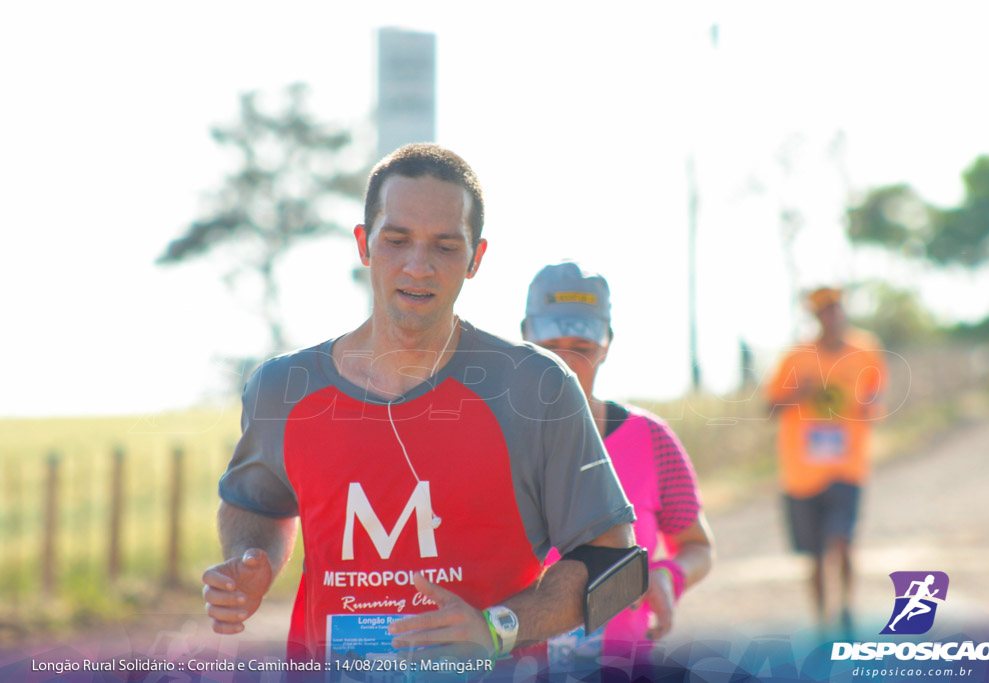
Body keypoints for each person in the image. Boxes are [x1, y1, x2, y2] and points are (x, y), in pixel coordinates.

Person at [200, 145, 638, 666]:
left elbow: (616, 565)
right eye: (397, 239)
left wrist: (498, 626)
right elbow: (257, 505)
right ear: (365, 244)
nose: (418, 266)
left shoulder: (536, 387)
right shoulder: (283, 388)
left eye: (446, 246)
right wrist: (249, 563)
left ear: (476, 258)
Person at [521, 261, 714, 674]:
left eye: (583, 347)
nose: (567, 364)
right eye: (551, 346)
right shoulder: (495, 441)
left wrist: (667, 576)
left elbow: (698, 546)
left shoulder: (651, 439)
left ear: (607, 343)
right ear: (525, 338)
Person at [764, 286, 887, 634]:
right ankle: (822, 621)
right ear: (814, 316)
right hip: (801, 472)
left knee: (842, 540)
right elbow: (769, 407)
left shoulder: (866, 351)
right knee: (815, 554)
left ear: (843, 311)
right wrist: (797, 394)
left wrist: (868, 404)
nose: (830, 316)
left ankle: (847, 609)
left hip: (848, 466)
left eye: (834, 309)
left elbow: (875, 393)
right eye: (822, 311)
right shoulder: (796, 357)